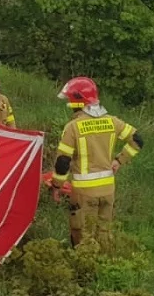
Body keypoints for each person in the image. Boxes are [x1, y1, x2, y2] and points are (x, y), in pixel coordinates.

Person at [47, 77, 142, 247]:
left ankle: (84, 264)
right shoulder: (113, 121)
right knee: (104, 234)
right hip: (108, 191)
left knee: (83, 237)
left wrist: (56, 186)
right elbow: (138, 140)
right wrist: (119, 161)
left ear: (77, 102)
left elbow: (63, 162)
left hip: (84, 194)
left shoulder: (73, 127)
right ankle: (105, 262)